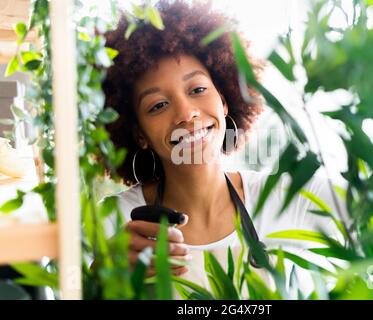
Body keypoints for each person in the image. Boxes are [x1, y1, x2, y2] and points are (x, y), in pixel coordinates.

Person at [102, 0, 343, 295]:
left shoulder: (290, 199)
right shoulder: (114, 220)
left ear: (225, 99)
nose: (185, 113)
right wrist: (102, 275)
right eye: (158, 105)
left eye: (198, 90)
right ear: (138, 133)